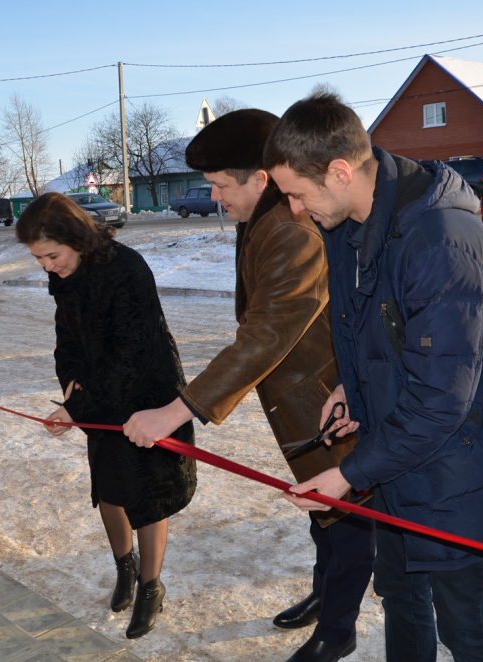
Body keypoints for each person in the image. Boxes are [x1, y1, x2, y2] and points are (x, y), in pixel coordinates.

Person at [265, 91, 483, 662]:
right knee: (400, 599)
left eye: (296, 193)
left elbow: (440, 399)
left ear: (339, 172)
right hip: (396, 463)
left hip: (458, 470)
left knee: (464, 625)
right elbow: (371, 328)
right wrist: (350, 388)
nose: (293, 208)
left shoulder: (439, 242)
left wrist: (348, 474)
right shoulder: (346, 226)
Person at [123, 109, 375, 662]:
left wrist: (179, 409)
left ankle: (339, 631)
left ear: (261, 178)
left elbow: (267, 331)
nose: (214, 197)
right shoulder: (260, 218)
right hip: (303, 400)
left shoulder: (290, 229)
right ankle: (325, 593)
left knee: (348, 517)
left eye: (219, 186)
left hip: (330, 400)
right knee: (323, 512)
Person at [16, 193, 197, 639]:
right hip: (98, 398)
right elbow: (67, 339)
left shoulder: (128, 269)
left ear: (75, 239)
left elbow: (132, 352)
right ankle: (125, 566)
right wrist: (71, 382)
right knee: (111, 488)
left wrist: (77, 407)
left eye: (51, 255)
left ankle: (151, 585)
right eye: (39, 259)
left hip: (148, 399)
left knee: (148, 493)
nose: (46, 266)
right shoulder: (65, 275)